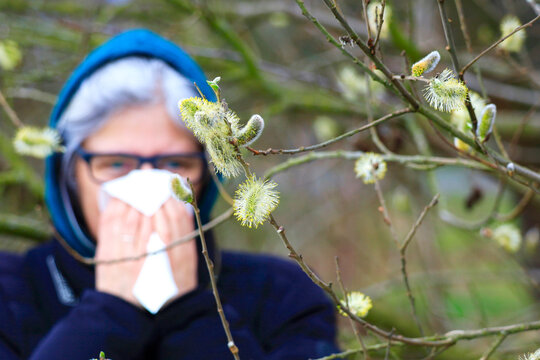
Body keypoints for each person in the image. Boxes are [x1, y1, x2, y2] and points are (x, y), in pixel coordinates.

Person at [0, 29, 338, 359]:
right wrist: (108, 313)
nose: (147, 181)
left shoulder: (281, 296)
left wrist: (189, 312)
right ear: (70, 173)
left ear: (208, 172)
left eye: (175, 162)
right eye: (116, 163)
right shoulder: (9, 295)